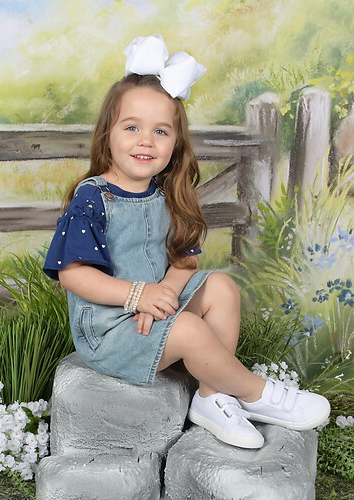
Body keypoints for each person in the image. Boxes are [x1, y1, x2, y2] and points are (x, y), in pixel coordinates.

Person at [43, 35, 330, 449]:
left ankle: (212, 398)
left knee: (222, 287)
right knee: (191, 329)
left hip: (152, 311)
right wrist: (139, 295)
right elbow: (73, 275)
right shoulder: (93, 198)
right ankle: (258, 393)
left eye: (160, 131)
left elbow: (185, 260)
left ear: (175, 143)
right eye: (132, 127)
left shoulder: (167, 193)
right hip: (109, 332)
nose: (146, 141)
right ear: (107, 134)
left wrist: (164, 295)